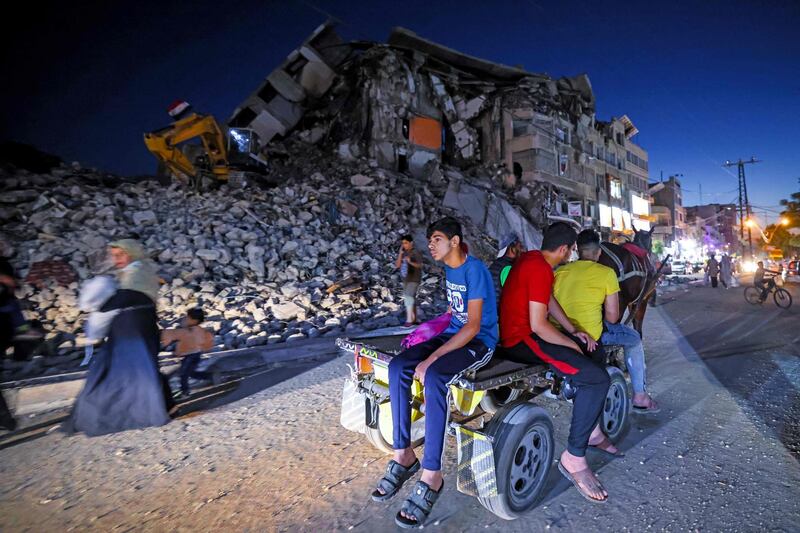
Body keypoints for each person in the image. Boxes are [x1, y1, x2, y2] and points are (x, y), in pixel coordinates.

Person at [372, 217, 497, 528]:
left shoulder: (475, 270)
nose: (431, 244)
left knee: (435, 376)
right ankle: (404, 454)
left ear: (455, 241)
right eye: (430, 239)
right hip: (455, 334)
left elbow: (473, 325)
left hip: (479, 341)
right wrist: (430, 338)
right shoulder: (449, 269)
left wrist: (433, 358)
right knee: (399, 365)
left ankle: (432, 474)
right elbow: (455, 315)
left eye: (437, 239)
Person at [499, 222, 613, 503]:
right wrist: (571, 343)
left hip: (525, 334)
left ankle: (590, 423)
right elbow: (538, 326)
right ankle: (574, 457)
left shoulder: (532, 259)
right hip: (521, 340)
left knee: (583, 352)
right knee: (598, 378)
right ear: (564, 249)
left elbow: (546, 300)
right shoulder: (538, 267)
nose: (571, 255)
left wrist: (571, 329)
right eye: (571, 251)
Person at [63, 239, 170, 436]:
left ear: (132, 253)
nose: (116, 259)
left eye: (120, 254)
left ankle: (111, 416)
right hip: (132, 329)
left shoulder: (138, 272)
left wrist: (97, 306)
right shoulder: (134, 271)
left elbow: (124, 299)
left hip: (132, 330)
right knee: (138, 370)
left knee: (122, 373)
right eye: (114, 255)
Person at [554, 229, 659, 413]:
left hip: (559, 333)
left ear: (577, 250)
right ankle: (640, 396)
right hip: (592, 336)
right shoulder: (606, 273)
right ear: (599, 252)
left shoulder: (560, 271)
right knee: (634, 337)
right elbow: (612, 317)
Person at [161, 308, 215, 398]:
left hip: (192, 355)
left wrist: (162, 336)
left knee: (184, 373)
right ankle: (210, 376)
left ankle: (185, 392)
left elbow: (174, 334)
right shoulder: (193, 330)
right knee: (190, 373)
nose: (185, 319)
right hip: (192, 355)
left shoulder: (191, 330)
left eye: (188, 318)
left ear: (195, 320)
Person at [395, 234, 423, 327]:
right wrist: (400, 254)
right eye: (403, 243)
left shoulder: (415, 252)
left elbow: (419, 265)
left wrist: (410, 261)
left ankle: (409, 320)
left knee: (408, 297)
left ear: (411, 243)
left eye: (406, 243)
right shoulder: (404, 253)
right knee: (411, 298)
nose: (404, 245)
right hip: (405, 279)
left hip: (414, 278)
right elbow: (397, 265)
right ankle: (414, 319)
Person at [488, 232, 523, 304]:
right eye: (520, 246)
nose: (522, 250)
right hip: (498, 312)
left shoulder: (495, 263)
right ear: (511, 247)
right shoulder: (509, 268)